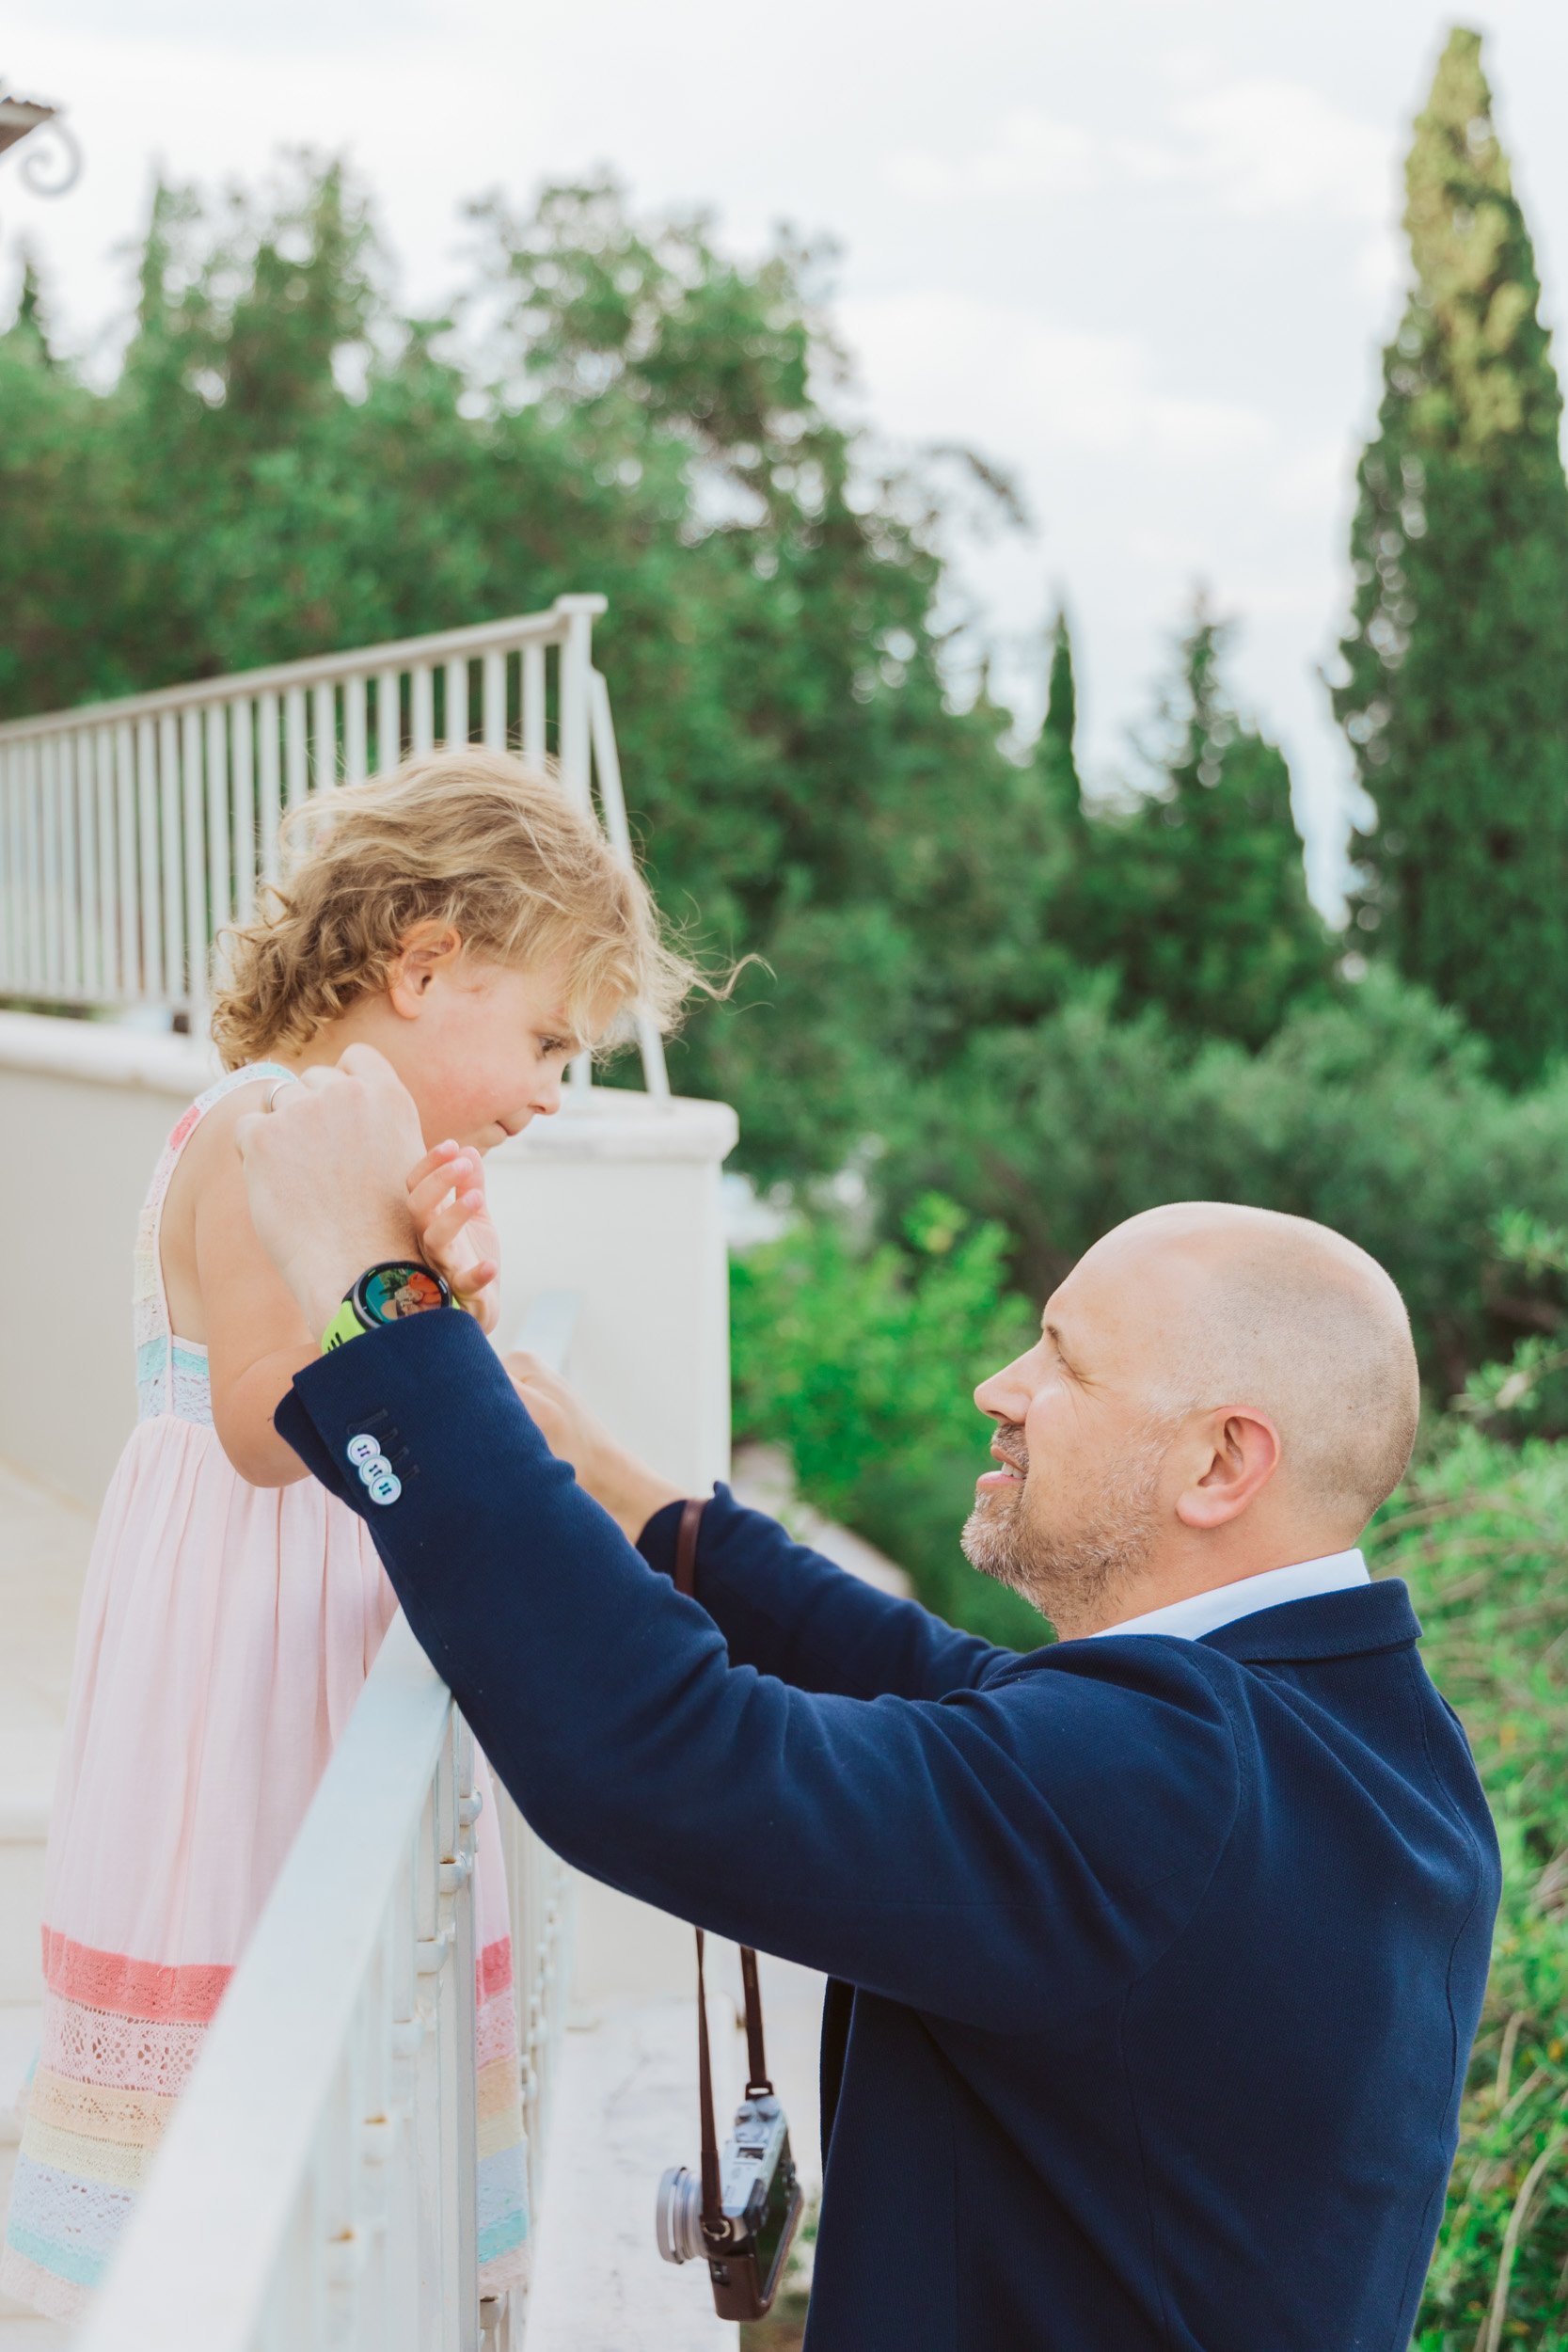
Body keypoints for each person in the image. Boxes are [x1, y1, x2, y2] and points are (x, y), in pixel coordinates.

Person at [238, 1052, 1501, 2352]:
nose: (999, 1390)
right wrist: (647, 1511)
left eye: (1062, 1364)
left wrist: (381, 1303)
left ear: (1220, 1460)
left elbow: (662, 1760)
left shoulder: (1168, 1782)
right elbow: (963, 1689)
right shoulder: (1383, 1746)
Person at [0, 751, 697, 2323]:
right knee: (262, 1933)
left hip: (304, 1610)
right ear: (426, 962)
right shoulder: (274, 1121)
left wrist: (424, 1296)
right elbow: (261, 1424)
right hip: (244, 1640)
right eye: (545, 1041)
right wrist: (408, 1302)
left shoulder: (350, 1145)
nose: (548, 1092)